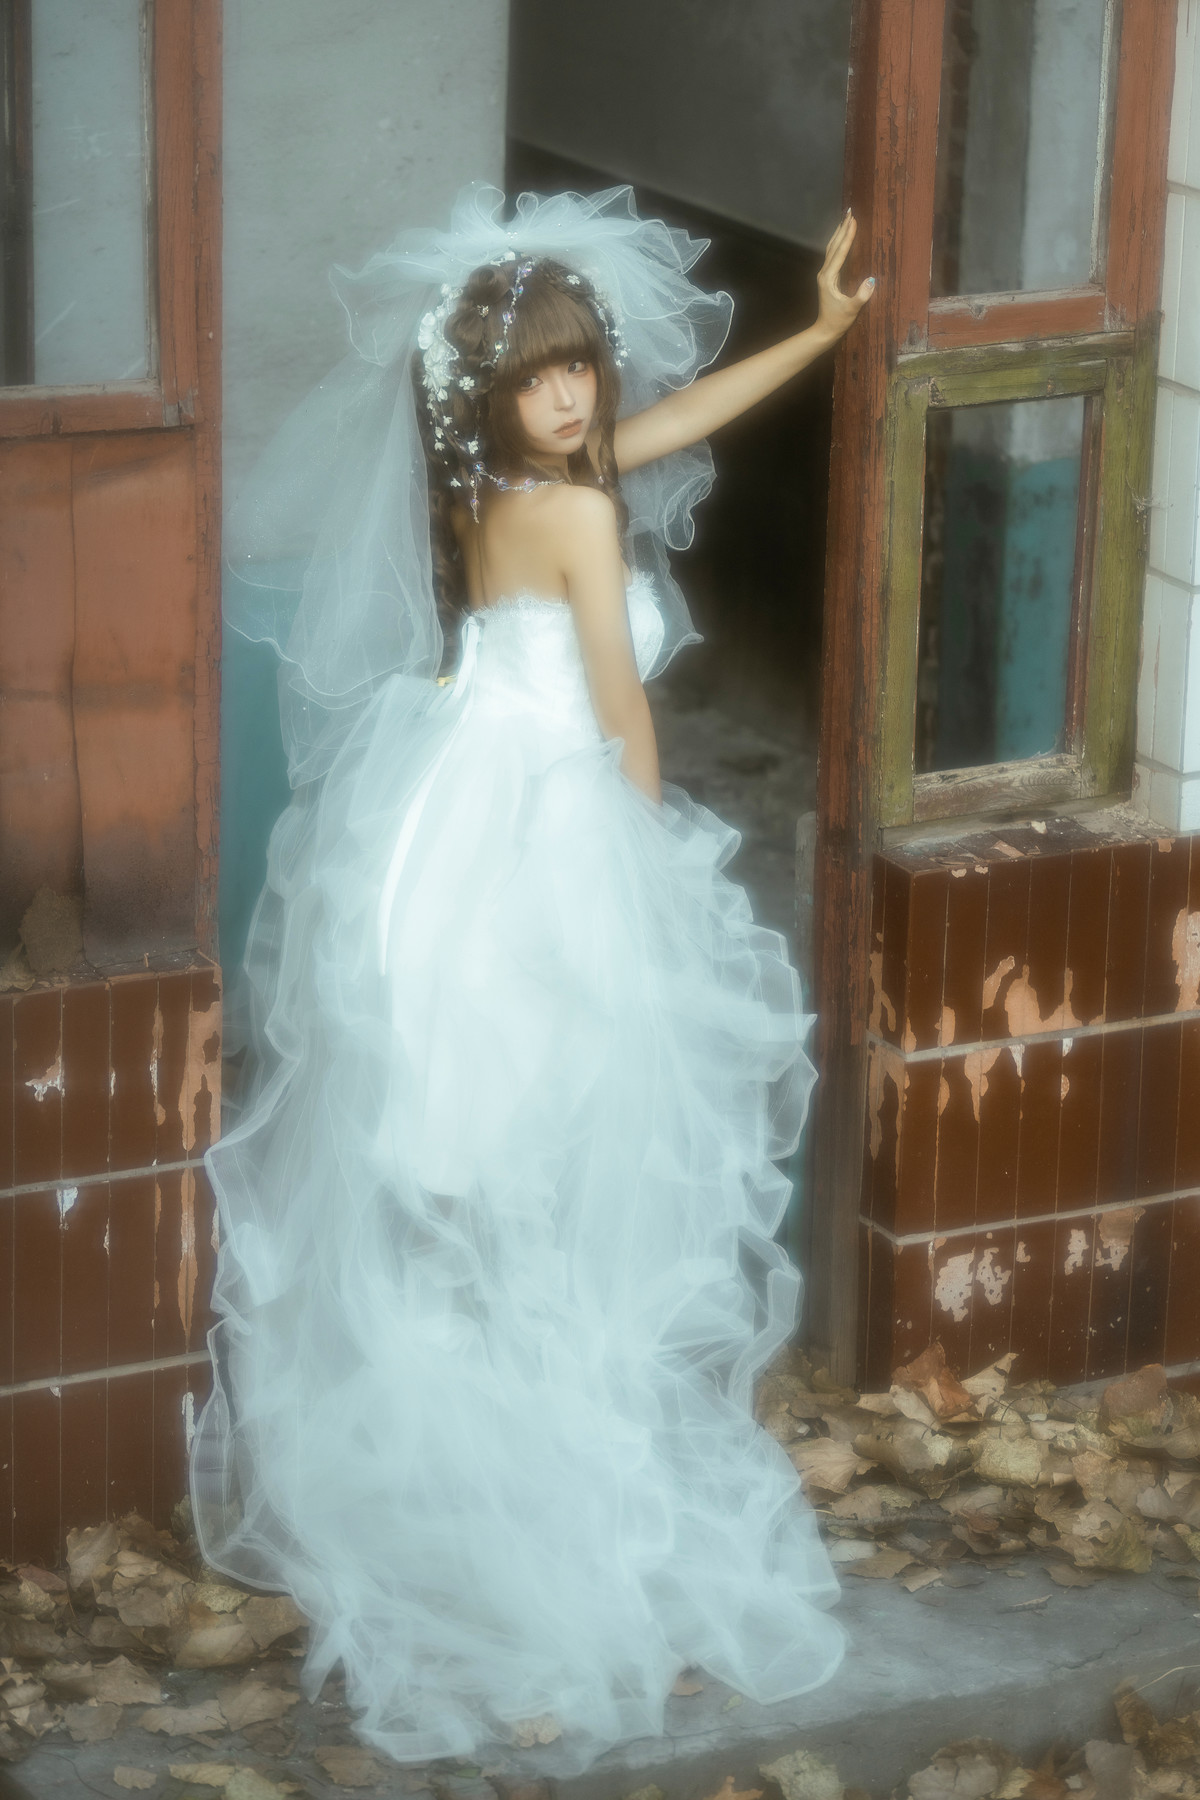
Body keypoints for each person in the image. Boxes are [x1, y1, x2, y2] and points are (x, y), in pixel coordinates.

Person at [190, 182, 873, 1776]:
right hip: (553, 824)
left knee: (484, 1165)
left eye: (582, 366)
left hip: (455, 810)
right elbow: (623, 711)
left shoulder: (490, 485)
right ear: (488, 394)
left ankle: (486, 1481)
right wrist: (648, 876)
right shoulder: (571, 513)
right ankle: (548, 1514)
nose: (573, 396)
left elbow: (674, 418)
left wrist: (821, 332)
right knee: (570, 1147)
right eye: (540, 376)